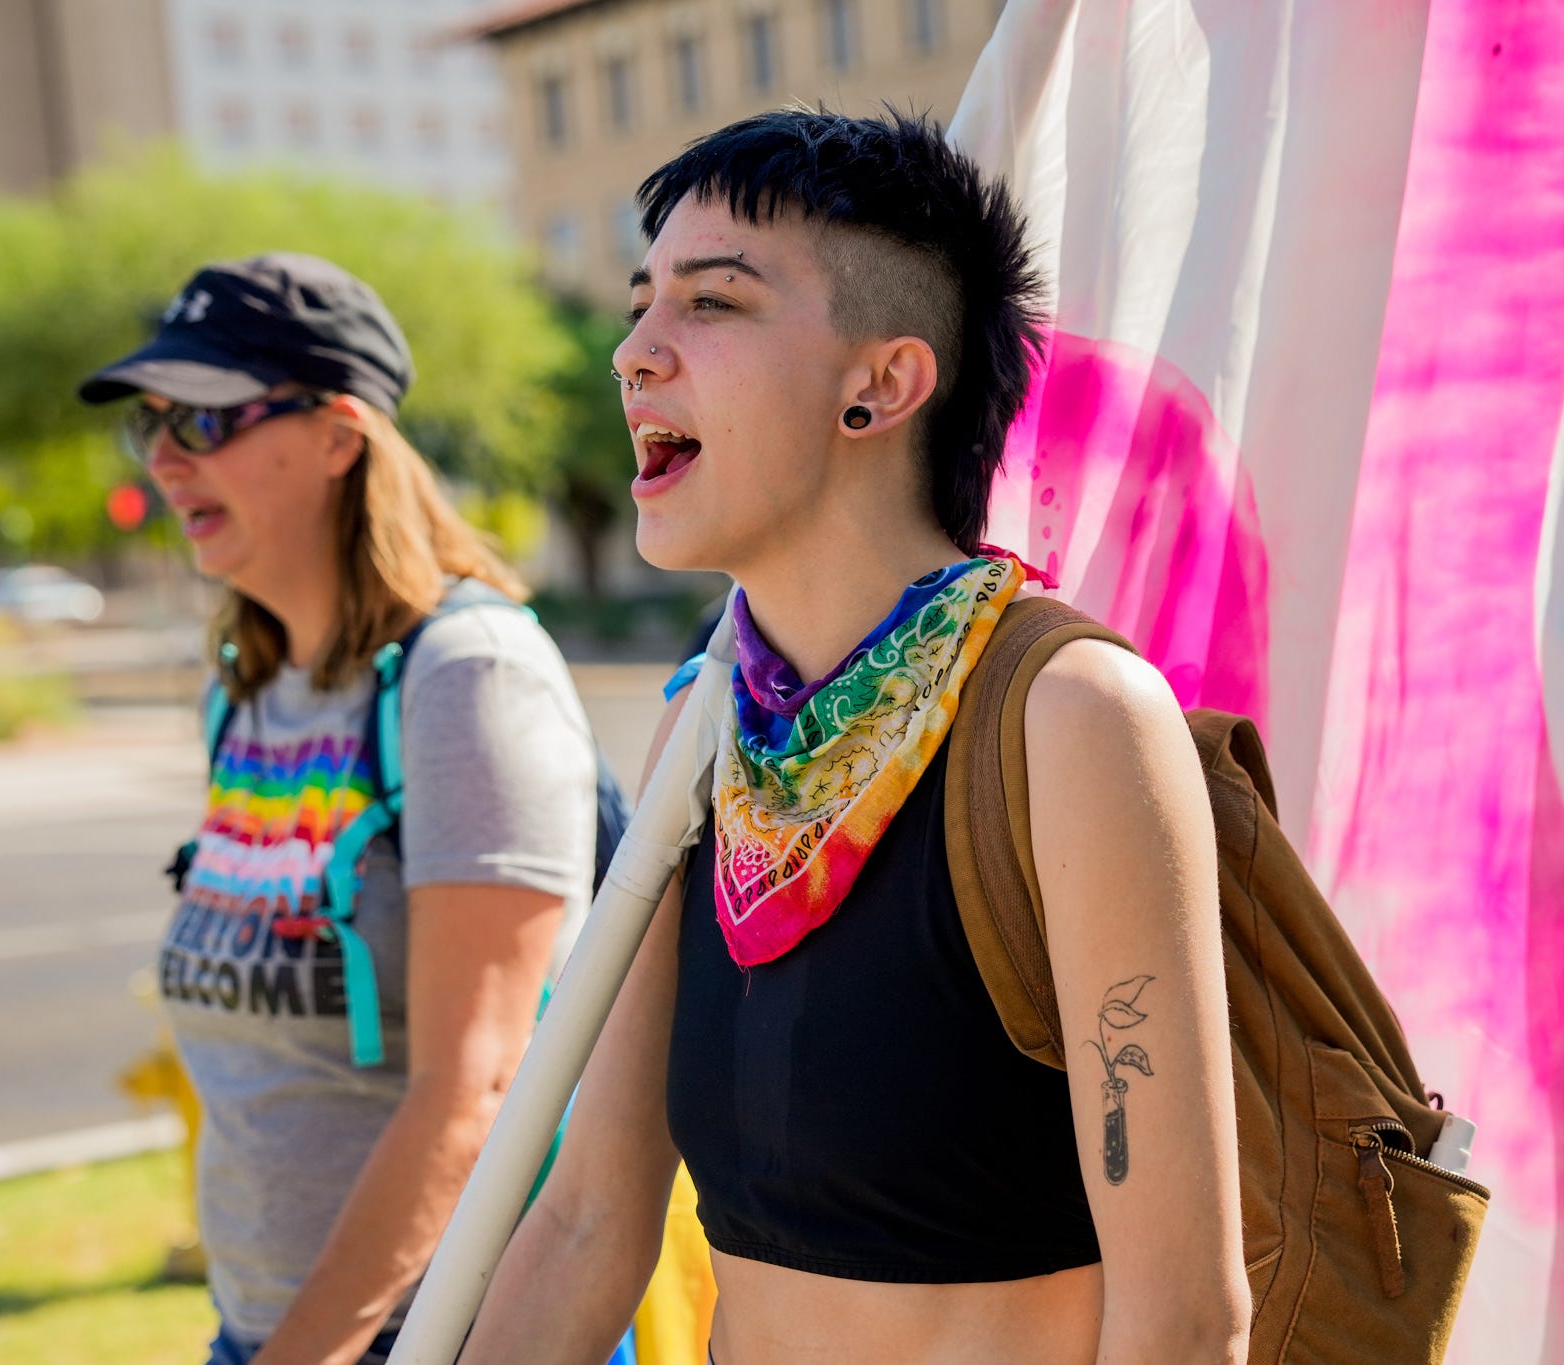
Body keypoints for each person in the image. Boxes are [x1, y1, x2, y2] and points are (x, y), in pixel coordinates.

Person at [459, 110, 1248, 1365]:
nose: (632, 354)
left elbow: (1184, 1322)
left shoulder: (1072, 717)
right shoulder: (703, 726)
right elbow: (586, 1221)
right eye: (640, 302)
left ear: (880, 385)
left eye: (711, 305)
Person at [77, 253, 602, 1365]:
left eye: (204, 421)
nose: (164, 459)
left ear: (337, 434)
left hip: (443, 1338)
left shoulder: (469, 675)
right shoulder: (246, 688)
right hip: (272, 1332)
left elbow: (478, 1087)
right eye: (152, 424)